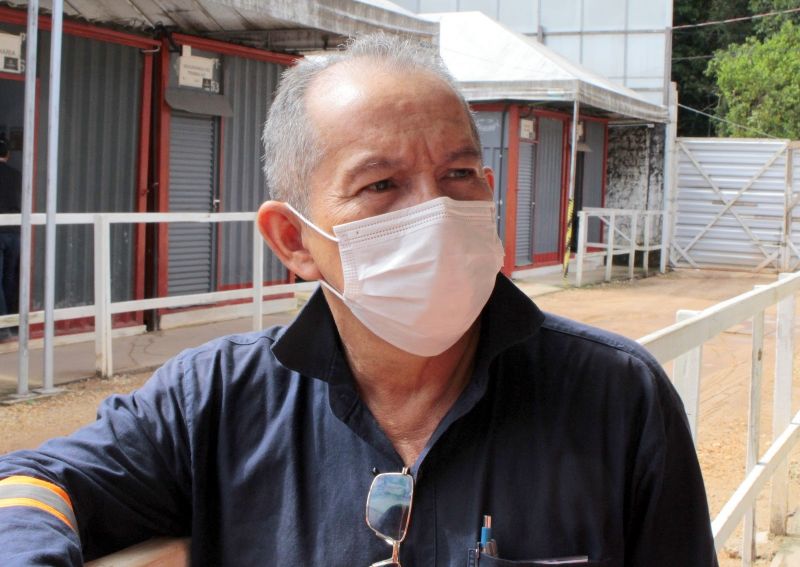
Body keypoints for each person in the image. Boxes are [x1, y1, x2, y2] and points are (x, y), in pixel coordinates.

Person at [0, 35, 718, 566]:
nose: (436, 209)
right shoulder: (213, 401)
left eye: (460, 171)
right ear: (293, 239)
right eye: (381, 185)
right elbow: (33, 481)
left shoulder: (617, 398)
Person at [0, 137, 21, 339]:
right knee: (10, 279)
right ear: (7, 154)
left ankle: (3, 328)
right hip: (14, 233)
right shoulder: (17, 175)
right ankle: (13, 326)